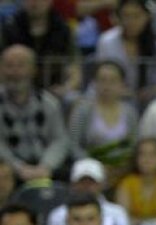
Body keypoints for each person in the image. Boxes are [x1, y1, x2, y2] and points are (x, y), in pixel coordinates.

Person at [0, 45, 70, 185]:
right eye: (9, 66)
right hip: (8, 169)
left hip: (45, 168)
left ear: (33, 70)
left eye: (21, 65)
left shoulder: (50, 103)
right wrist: (18, 167)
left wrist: (46, 166)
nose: (15, 72)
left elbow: (60, 140)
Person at [66, 61, 139, 177]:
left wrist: (122, 167)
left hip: (122, 171)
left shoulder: (130, 112)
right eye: (102, 80)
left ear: (122, 85)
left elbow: (134, 144)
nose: (107, 86)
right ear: (94, 83)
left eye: (113, 81)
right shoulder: (81, 110)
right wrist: (94, 167)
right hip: (88, 172)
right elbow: (73, 145)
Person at [46, 158, 132, 225]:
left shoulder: (118, 213)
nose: (86, 187)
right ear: (72, 184)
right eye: (82, 182)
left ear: (102, 184)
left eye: (91, 182)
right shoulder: (58, 215)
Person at [0, 0, 81, 99]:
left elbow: (75, 69)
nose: (34, 3)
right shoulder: (9, 28)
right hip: (14, 90)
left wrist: (66, 88)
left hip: (53, 91)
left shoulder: (63, 29)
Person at [94, 0, 156, 107]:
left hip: (147, 101)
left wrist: (150, 91)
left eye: (136, 16)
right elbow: (100, 76)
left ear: (147, 16)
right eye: (126, 16)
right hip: (112, 97)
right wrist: (120, 91)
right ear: (118, 17)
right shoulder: (106, 41)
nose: (131, 21)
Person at [115, 138, 156, 225]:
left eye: (153, 154)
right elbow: (122, 218)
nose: (147, 159)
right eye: (142, 154)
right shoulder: (127, 183)